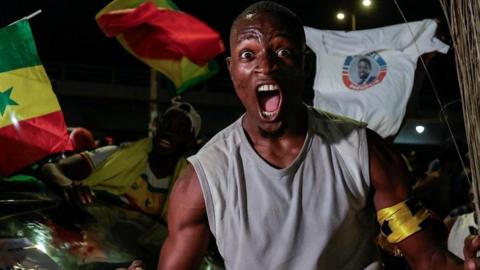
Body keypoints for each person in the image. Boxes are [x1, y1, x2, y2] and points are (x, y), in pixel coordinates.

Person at [158, 2, 480, 269]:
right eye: (247, 55)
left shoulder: (362, 151)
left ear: (306, 66)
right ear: (231, 70)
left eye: (282, 52)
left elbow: (427, 257)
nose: (265, 66)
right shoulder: (203, 179)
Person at [41, 96, 201, 219]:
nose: (169, 132)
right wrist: (68, 186)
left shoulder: (193, 188)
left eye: (180, 130)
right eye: (166, 125)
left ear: (190, 142)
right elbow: (51, 168)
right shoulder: (117, 155)